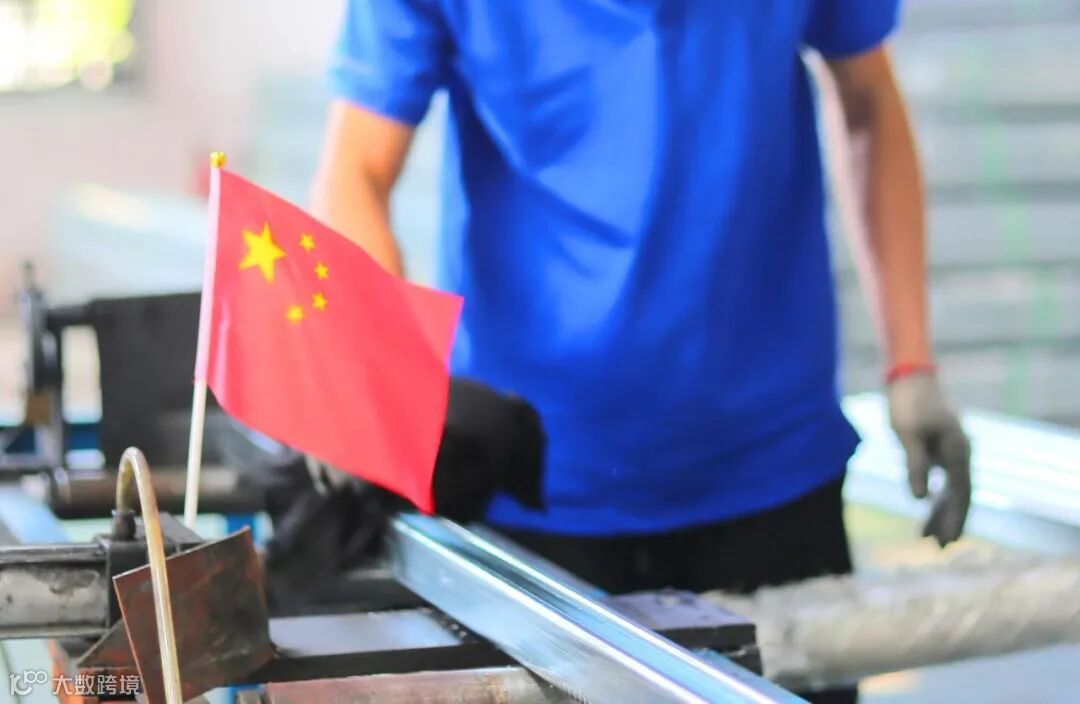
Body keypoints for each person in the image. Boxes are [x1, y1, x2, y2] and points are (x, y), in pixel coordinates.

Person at [312, 3, 972, 701]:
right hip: (534, 492)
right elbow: (357, 167)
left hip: (769, 470)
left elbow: (868, 98)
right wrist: (372, 370)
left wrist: (911, 363)